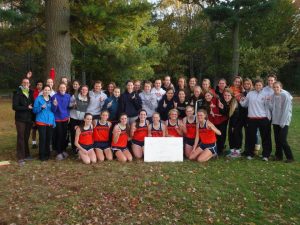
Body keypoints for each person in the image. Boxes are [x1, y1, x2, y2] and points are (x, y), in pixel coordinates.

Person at [240, 79, 272, 161]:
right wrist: (241, 100)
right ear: (254, 85)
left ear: (262, 86)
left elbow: (270, 107)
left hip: (263, 118)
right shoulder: (250, 94)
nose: (258, 86)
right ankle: (251, 153)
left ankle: (266, 155)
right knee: (251, 137)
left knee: (266, 137)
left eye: (260, 85)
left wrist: (268, 101)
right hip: (252, 119)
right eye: (257, 85)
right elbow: (244, 105)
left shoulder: (266, 94)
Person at [269, 81, 294, 162]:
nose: (276, 88)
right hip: (276, 121)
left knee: (282, 139)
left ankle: (290, 157)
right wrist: (268, 101)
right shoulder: (272, 96)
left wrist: (282, 122)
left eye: (277, 87)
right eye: (274, 87)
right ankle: (278, 156)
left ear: (281, 87)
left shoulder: (285, 96)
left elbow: (286, 110)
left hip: (284, 121)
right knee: (277, 140)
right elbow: (272, 108)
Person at [12, 78, 34, 165]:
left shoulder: (30, 92)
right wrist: (26, 108)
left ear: (29, 84)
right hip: (20, 119)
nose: (26, 84)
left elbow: (33, 104)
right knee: (21, 137)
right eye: (24, 82)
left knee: (26, 136)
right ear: (21, 83)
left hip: (29, 119)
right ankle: (20, 157)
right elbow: (15, 107)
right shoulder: (17, 92)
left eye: (27, 83)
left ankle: (27, 154)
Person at [33, 85, 56, 161]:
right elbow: (34, 110)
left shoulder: (51, 99)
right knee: (42, 138)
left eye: (48, 90)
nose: (46, 91)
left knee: (48, 139)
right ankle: (42, 156)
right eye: (45, 90)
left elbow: (53, 110)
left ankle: (47, 154)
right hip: (41, 121)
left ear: (50, 91)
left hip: (50, 121)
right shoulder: (38, 99)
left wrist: (55, 105)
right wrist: (41, 107)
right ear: (43, 91)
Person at [219, 89, 242, 158]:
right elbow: (227, 114)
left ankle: (237, 152)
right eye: (225, 95)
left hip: (237, 122)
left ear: (231, 96)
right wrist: (222, 108)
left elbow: (236, 116)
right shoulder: (226, 102)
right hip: (232, 122)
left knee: (236, 136)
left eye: (228, 95)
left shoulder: (235, 103)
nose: (227, 97)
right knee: (231, 136)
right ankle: (233, 152)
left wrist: (234, 126)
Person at [51, 83, 71, 160]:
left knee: (64, 135)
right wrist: (55, 105)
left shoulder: (68, 96)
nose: (62, 89)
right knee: (59, 135)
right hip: (57, 119)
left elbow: (68, 108)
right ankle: (58, 152)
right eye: (61, 87)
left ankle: (63, 150)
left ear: (66, 88)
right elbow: (53, 110)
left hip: (65, 118)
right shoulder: (54, 97)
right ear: (58, 88)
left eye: (64, 87)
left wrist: (68, 115)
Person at [69, 85, 89, 154]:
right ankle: (73, 149)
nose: (84, 91)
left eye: (86, 90)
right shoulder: (75, 96)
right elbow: (69, 105)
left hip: (82, 119)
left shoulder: (88, 98)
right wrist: (72, 105)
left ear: (87, 91)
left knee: (81, 133)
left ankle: (79, 148)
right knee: (73, 133)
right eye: (83, 89)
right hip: (74, 118)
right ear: (80, 90)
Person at [31, 80, 44, 149]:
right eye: (38, 84)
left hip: (42, 113)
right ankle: (34, 142)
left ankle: (41, 142)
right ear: (36, 85)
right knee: (34, 128)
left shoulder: (44, 92)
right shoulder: (33, 92)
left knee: (41, 129)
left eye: (41, 85)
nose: (39, 86)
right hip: (34, 113)